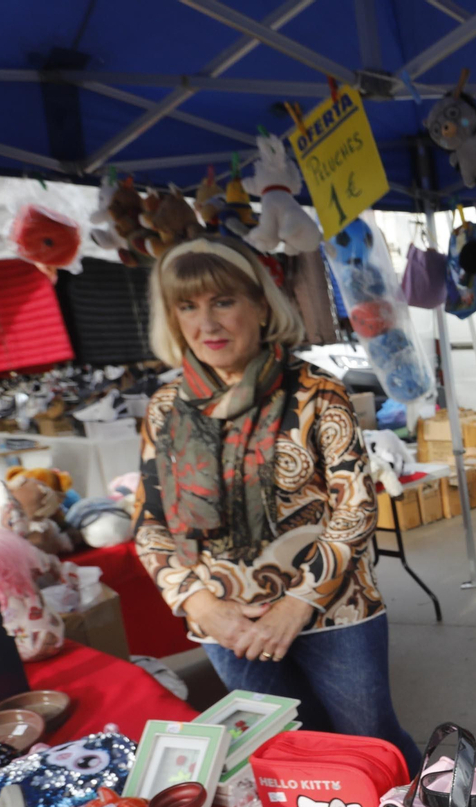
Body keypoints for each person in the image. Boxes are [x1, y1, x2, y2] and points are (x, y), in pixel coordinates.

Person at [136, 235, 420, 766]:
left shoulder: (314, 393)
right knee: (289, 753)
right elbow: (150, 522)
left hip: (333, 611)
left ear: (261, 306)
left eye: (224, 301)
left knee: (371, 745)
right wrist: (199, 605)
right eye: (188, 306)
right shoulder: (165, 409)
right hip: (227, 623)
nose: (208, 323)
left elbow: (355, 506)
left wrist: (298, 603)